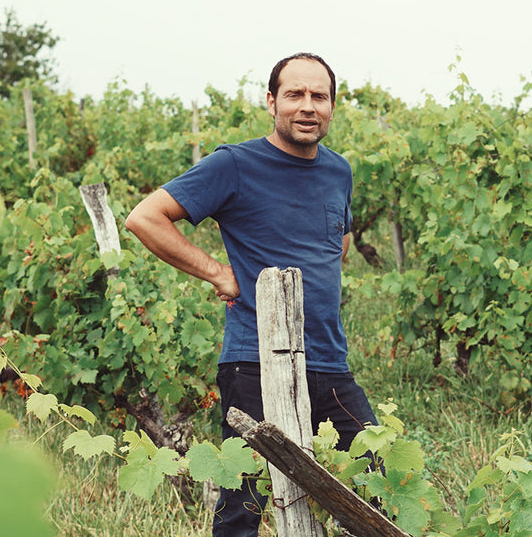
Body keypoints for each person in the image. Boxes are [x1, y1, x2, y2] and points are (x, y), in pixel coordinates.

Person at [124, 52, 377, 536]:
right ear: (271, 101)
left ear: (332, 105)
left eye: (319, 96)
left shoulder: (339, 171)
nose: (308, 106)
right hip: (254, 361)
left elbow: (338, 243)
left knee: (377, 479)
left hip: (328, 360)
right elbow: (145, 218)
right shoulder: (235, 164)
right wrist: (218, 272)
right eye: (295, 94)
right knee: (244, 505)